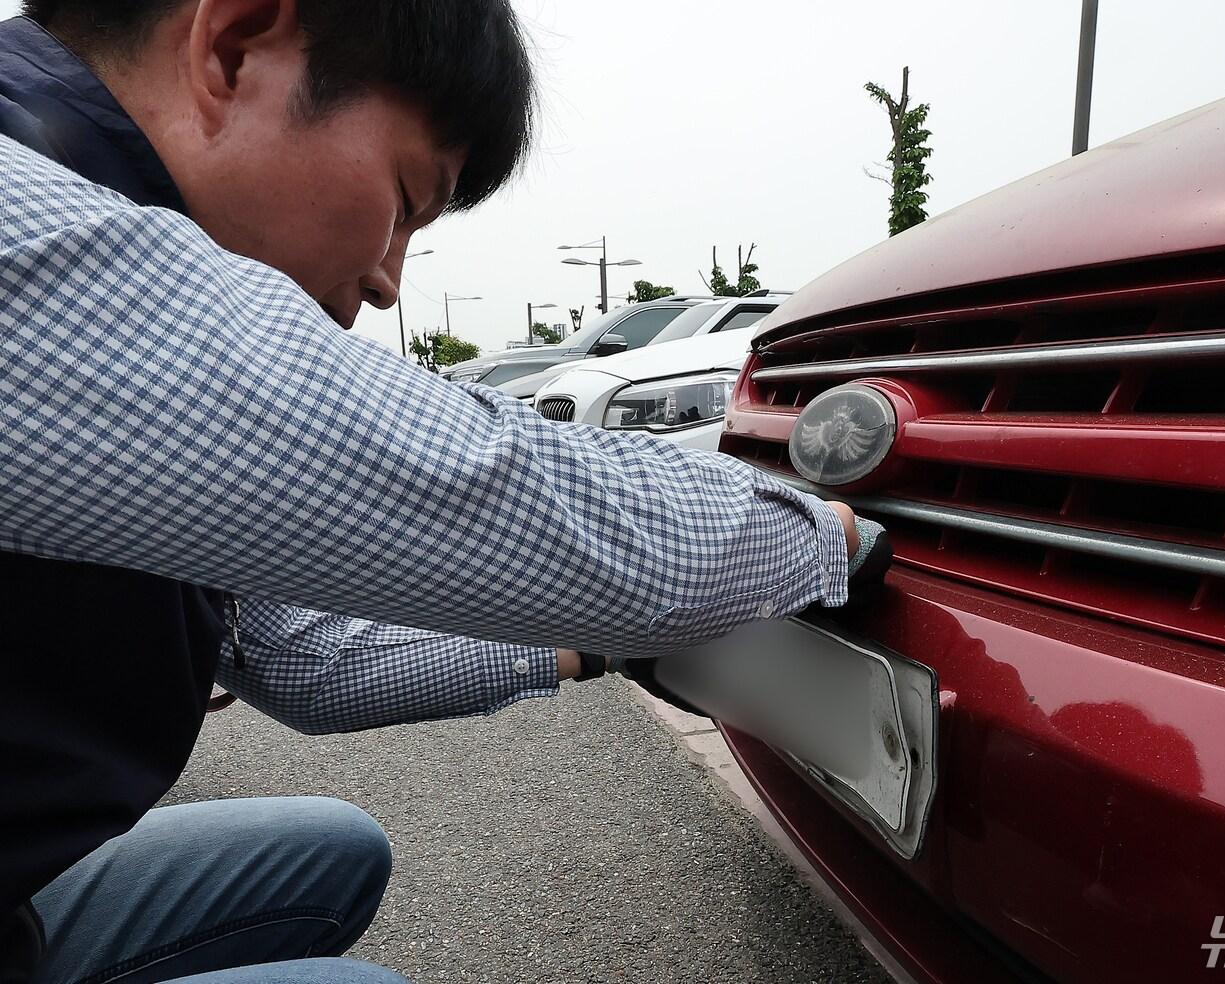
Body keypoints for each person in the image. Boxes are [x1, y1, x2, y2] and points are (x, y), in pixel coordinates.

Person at [0, 2, 889, 982]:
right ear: (235, 46)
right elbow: (483, 481)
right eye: (405, 197)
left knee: (334, 849)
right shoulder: (24, 227)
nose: (390, 282)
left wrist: (598, 646)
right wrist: (827, 532)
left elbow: (304, 655)